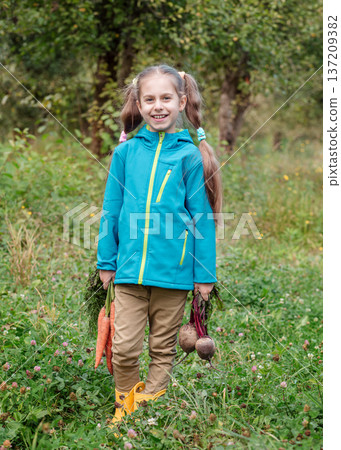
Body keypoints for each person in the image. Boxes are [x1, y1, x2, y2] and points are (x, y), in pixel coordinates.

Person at [96, 64, 223, 425]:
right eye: (149, 99)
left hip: (174, 273)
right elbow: (111, 210)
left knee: (161, 350)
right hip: (128, 272)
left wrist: (204, 274)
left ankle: (145, 413)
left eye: (166, 98)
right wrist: (107, 261)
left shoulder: (190, 156)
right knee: (122, 349)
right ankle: (126, 403)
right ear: (138, 103)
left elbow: (202, 218)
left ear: (182, 101)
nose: (158, 106)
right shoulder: (125, 154)